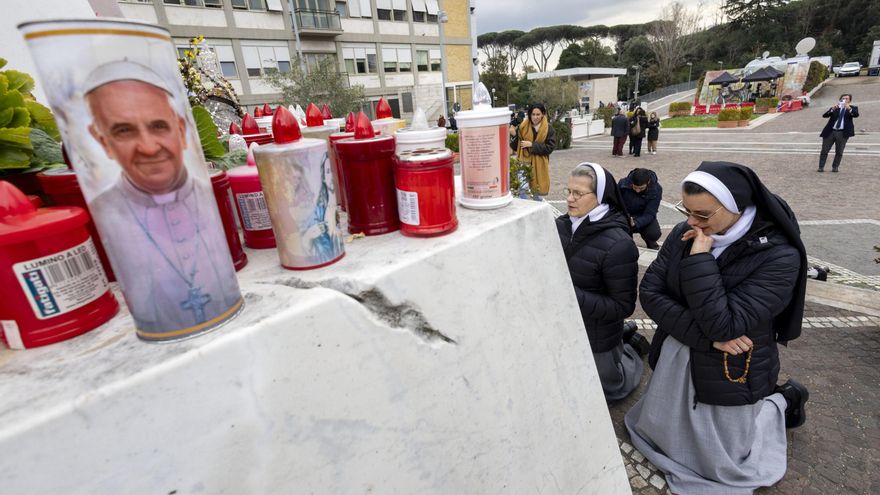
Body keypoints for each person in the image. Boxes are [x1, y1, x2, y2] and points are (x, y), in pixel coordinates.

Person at [625, 161, 810, 494]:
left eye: (704, 215)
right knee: (665, 425)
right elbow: (650, 293)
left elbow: (724, 325)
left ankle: (786, 401)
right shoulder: (689, 231)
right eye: (687, 210)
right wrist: (706, 341)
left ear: (736, 208)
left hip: (731, 369)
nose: (691, 222)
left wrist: (699, 261)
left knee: (718, 453)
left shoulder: (780, 256)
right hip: (686, 352)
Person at [85, 60, 242, 336]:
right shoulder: (102, 212)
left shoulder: (209, 195)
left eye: (159, 126)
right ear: (102, 141)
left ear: (181, 131)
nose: (147, 147)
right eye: (124, 131)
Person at [556, 163, 643, 401]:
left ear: (601, 196)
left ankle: (628, 350)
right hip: (563, 325)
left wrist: (572, 295)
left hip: (596, 334)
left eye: (578, 194)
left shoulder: (619, 245)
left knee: (611, 390)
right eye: (568, 191)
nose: (570, 199)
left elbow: (623, 307)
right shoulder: (561, 225)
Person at [509, 103, 556, 200]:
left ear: (543, 114)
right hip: (523, 162)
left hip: (539, 164)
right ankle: (525, 210)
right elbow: (515, 147)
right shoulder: (523, 126)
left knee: (537, 193)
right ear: (530, 115)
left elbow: (549, 148)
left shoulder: (548, 129)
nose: (535, 117)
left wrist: (532, 145)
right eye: (533, 114)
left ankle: (539, 211)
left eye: (538, 114)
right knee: (523, 189)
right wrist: (514, 135)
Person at [618, 168, 662, 249]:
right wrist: (625, 217)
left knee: (653, 233)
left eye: (641, 188)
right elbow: (616, 203)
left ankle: (650, 242)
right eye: (635, 187)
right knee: (623, 235)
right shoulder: (623, 184)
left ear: (648, 182)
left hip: (643, 215)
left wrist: (636, 222)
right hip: (625, 215)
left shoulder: (656, 189)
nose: (637, 191)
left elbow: (650, 213)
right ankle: (627, 246)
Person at [818, 93, 859, 173]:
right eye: (843, 98)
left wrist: (849, 108)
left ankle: (835, 167)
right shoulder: (836, 108)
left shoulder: (853, 108)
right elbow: (825, 115)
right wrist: (832, 109)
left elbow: (856, 115)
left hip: (843, 133)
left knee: (839, 151)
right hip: (830, 131)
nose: (844, 100)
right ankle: (821, 167)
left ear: (849, 100)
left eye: (846, 98)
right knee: (824, 150)